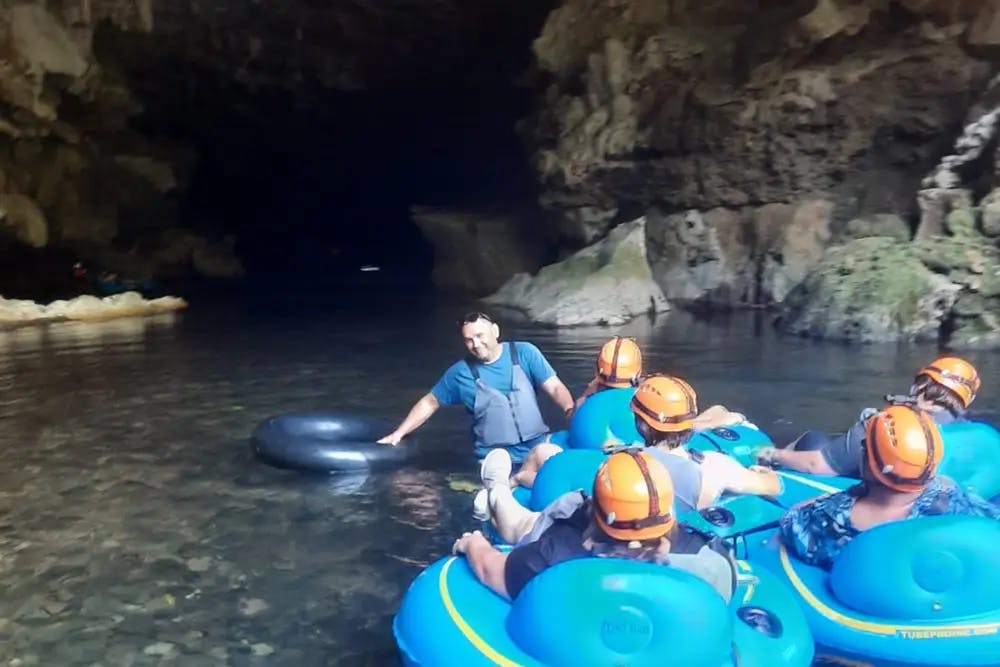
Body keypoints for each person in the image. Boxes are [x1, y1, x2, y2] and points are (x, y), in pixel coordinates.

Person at [475, 374, 781, 541]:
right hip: (671, 533)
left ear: (640, 424)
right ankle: (505, 485)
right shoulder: (716, 467)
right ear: (690, 424)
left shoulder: (622, 465)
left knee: (528, 516)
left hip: (609, 529)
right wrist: (762, 473)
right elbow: (774, 486)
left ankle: (499, 488)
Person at [453, 449, 737, 602]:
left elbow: (491, 570)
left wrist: (472, 543)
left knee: (520, 525)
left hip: (546, 551)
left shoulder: (550, 558)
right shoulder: (710, 562)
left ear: (594, 508)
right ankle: (499, 489)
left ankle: (498, 487)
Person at [780, 405, 1000, 570]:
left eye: (864, 446)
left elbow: (790, 524)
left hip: (859, 607)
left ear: (867, 461)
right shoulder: (954, 502)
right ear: (931, 467)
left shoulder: (827, 521)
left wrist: (810, 503)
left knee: (814, 440)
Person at [509, 339, 748, 489]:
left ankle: (510, 482)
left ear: (598, 371)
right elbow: (675, 428)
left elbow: (574, 415)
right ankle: (727, 416)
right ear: (637, 373)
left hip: (596, 457)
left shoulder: (589, 403)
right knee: (715, 413)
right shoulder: (646, 398)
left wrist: (593, 387)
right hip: (645, 449)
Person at [377, 311, 574, 463]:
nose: (476, 344)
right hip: (495, 456)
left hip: (537, 445)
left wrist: (569, 411)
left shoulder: (525, 353)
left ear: (495, 331)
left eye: (480, 336)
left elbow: (555, 387)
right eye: (468, 340)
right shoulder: (460, 373)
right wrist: (398, 434)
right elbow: (430, 402)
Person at [756, 356, 981, 478]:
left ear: (919, 386)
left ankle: (767, 466)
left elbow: (818, 466)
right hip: (921, 510)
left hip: (868, 502)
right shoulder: (974, 434)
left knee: (812, 439)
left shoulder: (887, 425)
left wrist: (774, 454)